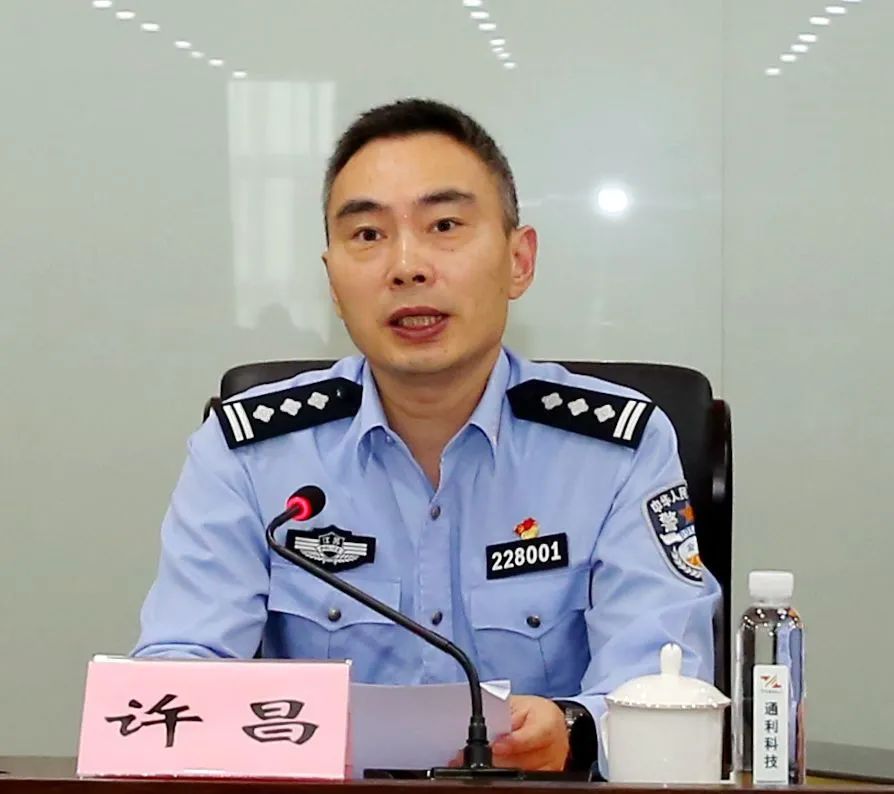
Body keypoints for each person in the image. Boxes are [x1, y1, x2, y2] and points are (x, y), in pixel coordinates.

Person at [134, 98, 720, 774]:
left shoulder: (619, 449)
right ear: (332, 282)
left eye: (444, 225)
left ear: (519, 260)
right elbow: (177, 678)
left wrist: (572, 732)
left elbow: (661, 685)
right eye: (367, 235)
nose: (406, 266)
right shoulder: (247, 452)